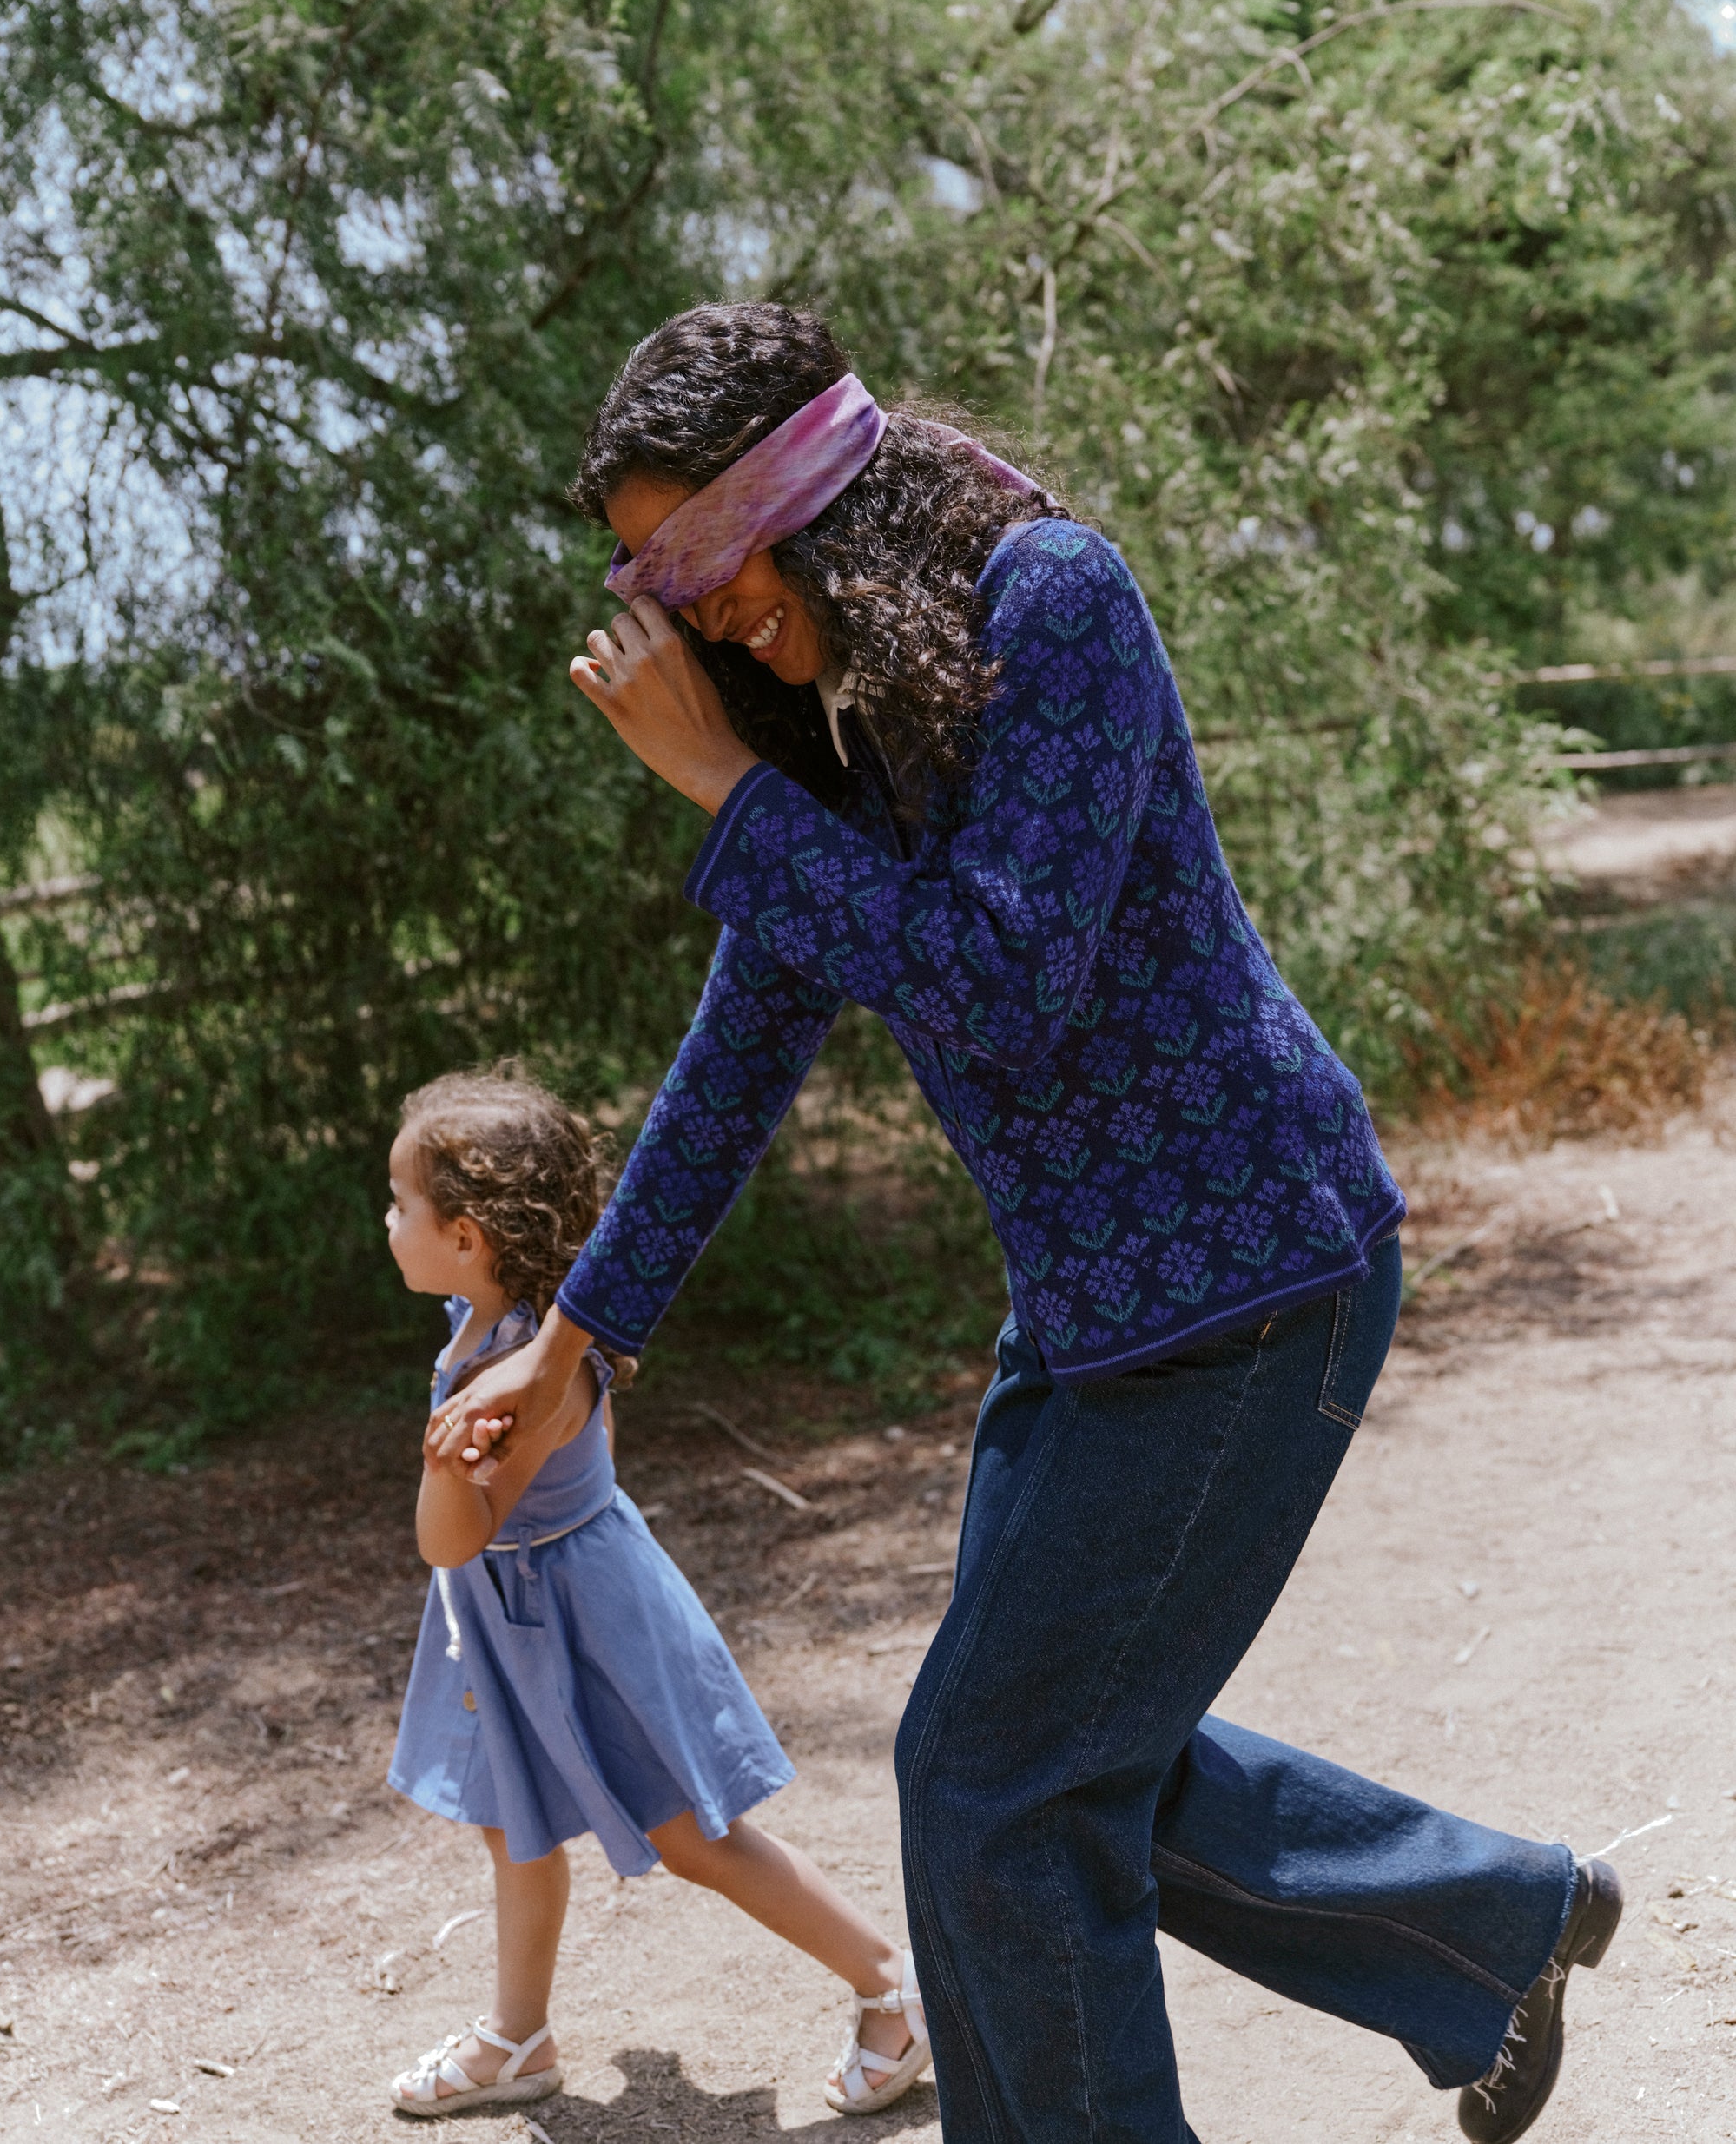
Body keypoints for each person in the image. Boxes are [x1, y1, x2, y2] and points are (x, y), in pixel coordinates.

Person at [430, 304, 1622, 2144]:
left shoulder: (1052, 603)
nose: (710, 610)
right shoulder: (830, 729)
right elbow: (737, 1051)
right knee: (1039, 1763)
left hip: (1253, 1274)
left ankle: (1481, 1936)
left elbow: (1007, 977)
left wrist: (729, 788)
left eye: (720, 558)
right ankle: (1490, 1931)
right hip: (1091, 1308)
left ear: (817, 496)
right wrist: (570, 1343)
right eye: (667, 581)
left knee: (999, 1777)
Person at [381, 1065, 931, 2116]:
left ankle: (890, 1985)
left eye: (401, 1203)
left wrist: (439, 1461)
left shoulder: (522, 1376)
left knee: (693, 1835)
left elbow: (449, 1543)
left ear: (466, 1238)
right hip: (522, 1616)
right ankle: (518, 2037)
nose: (386, 1219)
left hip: (585, 1618)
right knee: (514, 1822)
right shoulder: (526, 1325)